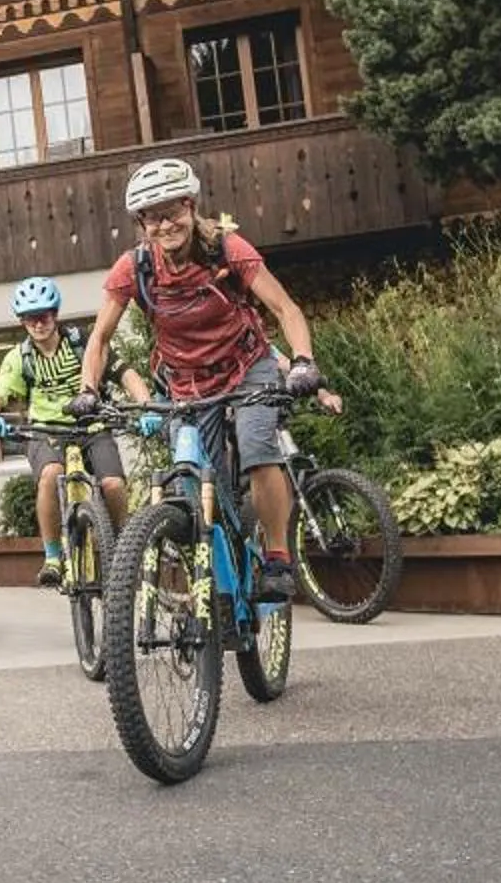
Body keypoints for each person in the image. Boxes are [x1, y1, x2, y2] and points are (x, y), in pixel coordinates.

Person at [71, 156, 341, 604]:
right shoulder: (134, 267)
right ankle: (225, 562)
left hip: (246, 367)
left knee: (257, 446)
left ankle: (276, 558)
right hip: (186, 383)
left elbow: (286, 309)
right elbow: (99, 337)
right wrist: (87, 389)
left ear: (191, 205)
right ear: (141, 222)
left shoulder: (226, 248)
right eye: (152, 217)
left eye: (173, 211)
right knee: (195, 480)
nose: (165, 224)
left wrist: (302, 361)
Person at [0, 276, 139, 591]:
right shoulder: (19, 357)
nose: (38, 323)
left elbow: (125, 373)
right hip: (46, 432)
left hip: (92, 427)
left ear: (55, 314)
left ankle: (122, 549)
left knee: (113, 484)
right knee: (50, 474)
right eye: (30, 318)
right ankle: (52, 557)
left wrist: (145, 408)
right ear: (22, 322)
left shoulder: (82, 343)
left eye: (44, 315)